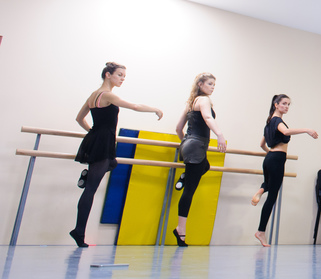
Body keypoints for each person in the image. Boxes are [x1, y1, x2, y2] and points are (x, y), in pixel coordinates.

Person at [72, 62, 162, 247]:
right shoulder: (108, 95)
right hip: (104, 141)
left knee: (112, 164)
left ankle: (88, 176)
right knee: (91, 189)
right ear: (108, 74)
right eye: (119, 75)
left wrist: (93, 133)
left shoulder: (93, 96)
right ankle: (78, 231)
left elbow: (79, 118)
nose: (122, 79)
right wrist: (155, 109)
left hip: (97, 138)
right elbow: (134, 106)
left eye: (124, 76)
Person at [253, 94, 318, 247]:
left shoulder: (268, 123)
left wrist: (270, 154)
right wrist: (307, 129)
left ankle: (261, 190)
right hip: (277, 159)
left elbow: (262, 145)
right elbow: (286, 132)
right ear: (276, 105)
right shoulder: (277, 121)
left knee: (268, 185)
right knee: (272, 197)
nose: (286, 106)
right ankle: (261, 231)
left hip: (269, 159)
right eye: (283, 103)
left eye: (288, 104)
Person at [172, 73, 227, 247]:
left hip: (188, 144)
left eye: (214, 85)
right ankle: (180, 230)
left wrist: (186, 142)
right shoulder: (204, 100)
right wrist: (219, 135)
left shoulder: (190, 103)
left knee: (205, 166)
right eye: (210, 84)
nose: (212, 87)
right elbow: (208, 118)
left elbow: (178, 128)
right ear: (200, 84)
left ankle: (184, 177)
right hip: (196, 146)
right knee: (189, 191)